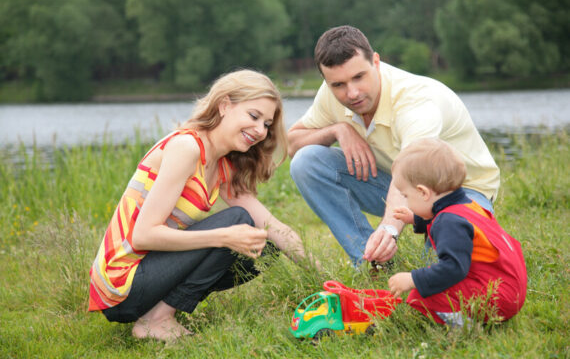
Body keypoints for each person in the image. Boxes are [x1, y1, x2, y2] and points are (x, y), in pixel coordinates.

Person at [89, 69, 311, 342]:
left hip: (152, 273)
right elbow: (143, 235)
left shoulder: (222, 165)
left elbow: (272, 226)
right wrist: (223, 237)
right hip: (122, 282)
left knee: (266, 246)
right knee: (237, 222)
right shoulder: (187, 147)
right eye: (253, 116)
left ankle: (159, 312)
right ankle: (156, 321)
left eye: (266, 124)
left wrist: (323, 276)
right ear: (225, 105)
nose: (260, 130)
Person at [288, 25, 500, 265]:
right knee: (306, 161)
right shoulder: (330, 93)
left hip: (461, 193)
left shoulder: (415, 101)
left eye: (359, 77)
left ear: (376, 62)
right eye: (338, 85)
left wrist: (389, 229)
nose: (352, 93)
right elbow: (293, 143)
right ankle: (371, 262)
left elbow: (412, 170)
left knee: (437, 276)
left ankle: (387, 244)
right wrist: (338, 129)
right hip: (398, 186)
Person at [387, 138, 526, 327]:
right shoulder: (466, 205)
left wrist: (413, 279)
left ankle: (465, 326)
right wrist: (416, 218)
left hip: (496, 298)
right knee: (428, 288)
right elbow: (445, 220)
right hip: (509, 288)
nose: (406, 200)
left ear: (423, 192)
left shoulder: (449, 222)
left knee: (419, 296)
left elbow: (453, 268)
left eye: (406, 196)